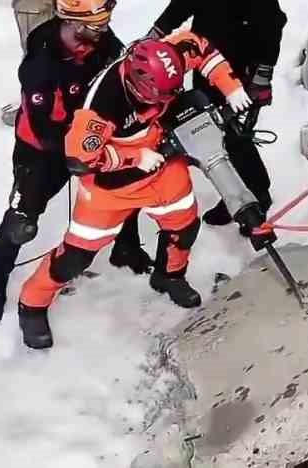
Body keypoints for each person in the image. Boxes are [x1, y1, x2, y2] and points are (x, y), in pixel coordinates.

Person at [15, 33, 263, 349]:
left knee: (184, 225)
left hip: (162, 162)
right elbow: (80, 160)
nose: (164, 103)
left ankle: (169, 276)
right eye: (158, 98)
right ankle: (32, 302)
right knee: (76, 256)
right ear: (137, 86)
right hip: (110, 185)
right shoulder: (102, 106)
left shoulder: (166, 60)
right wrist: (133, 157)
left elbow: (200, 45)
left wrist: (231, 86)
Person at [0, 0, 151, 328]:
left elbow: (117, 72)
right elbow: (44, 129)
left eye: (104, 25)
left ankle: (127, 247)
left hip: (90, 137)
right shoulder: (42, 64)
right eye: (94, 26)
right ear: (71, 22)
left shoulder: (100, 41)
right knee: (21, 221)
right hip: (43, 150)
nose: (103, 32)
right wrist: (79, 155)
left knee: (123, 189)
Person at [149, 0, 286, 228]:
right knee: (210, 129)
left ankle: (258, 196)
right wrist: (157, 32)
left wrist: (262, 75)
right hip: (205, 56)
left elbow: (271, 22)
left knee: (235, 134)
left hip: (243, 63)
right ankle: (235, 195)